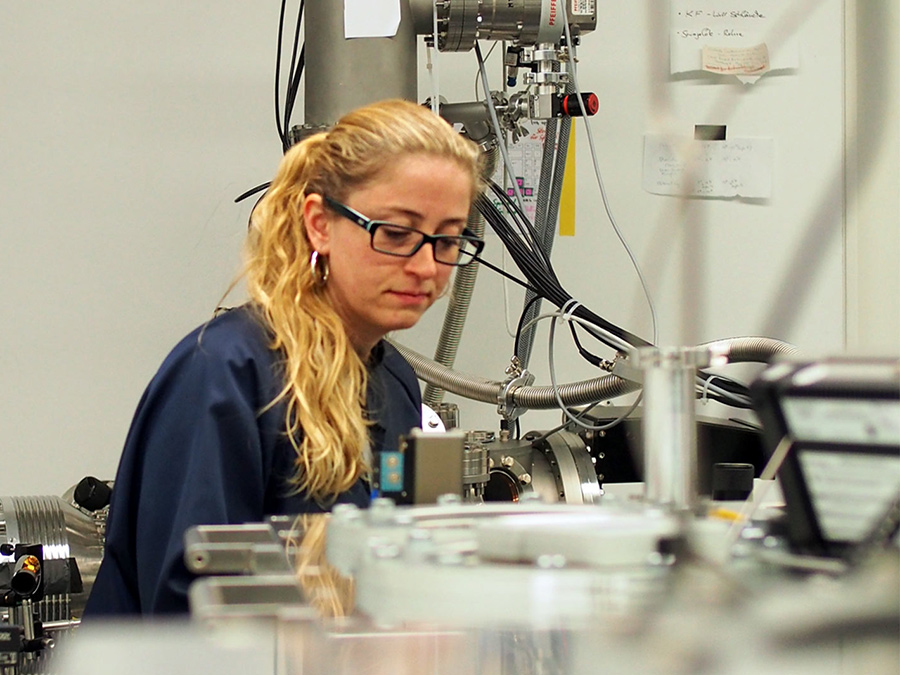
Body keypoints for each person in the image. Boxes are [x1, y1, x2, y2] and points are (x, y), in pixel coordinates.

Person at [84, 99, 486, 615]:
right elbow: (192, 611)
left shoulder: (394, 381)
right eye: (395, 233)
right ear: (320, 223)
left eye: (448, 240)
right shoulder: (225, 373)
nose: (426, 266)